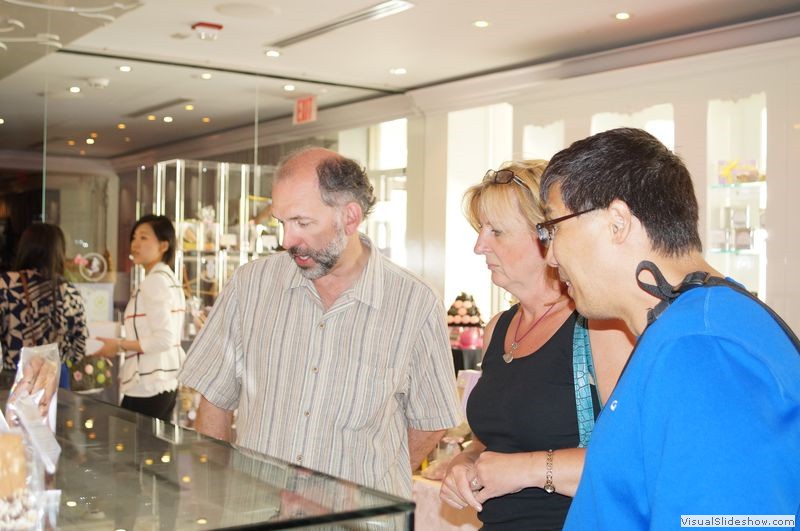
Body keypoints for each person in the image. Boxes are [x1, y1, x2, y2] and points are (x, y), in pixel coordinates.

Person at [538, 128, 800, 530]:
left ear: (617, 222)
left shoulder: (701, 349)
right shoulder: (688, 326)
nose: (551, 256)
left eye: (553, 228)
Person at [179, 147, 461, 498]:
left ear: (350, 217)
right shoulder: (250, 286)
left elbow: (431, 423)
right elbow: (215, 401)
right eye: (281, 222)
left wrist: (364, 492)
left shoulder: (414, 303)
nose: (287, 240)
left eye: (302, 222)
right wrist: (215, 495)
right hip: (259, 512)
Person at [439, 160, 634, 530]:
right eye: (481, 230)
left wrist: (525, 469)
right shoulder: (498, 328)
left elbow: (629, 460)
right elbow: (495, 442)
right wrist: (464, 463)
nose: (480, 246)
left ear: (546, 238)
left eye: (497, 231)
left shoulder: (598, 327)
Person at [95, 215, 185, 422]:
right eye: (134, 237)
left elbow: (164, 339)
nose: (135, 244)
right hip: (163, 380)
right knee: (153, 450)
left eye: (144, 238)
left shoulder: (154, 282)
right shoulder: (167, 278)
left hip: (148, 383)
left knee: (131, 450)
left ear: (164, 245)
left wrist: (119, 345)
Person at [1, 223, 87, 398]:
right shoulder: (69, 291)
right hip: (56, 378)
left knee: (14, 423)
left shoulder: (6, 285)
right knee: (55, 423)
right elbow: (79, 348)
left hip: (15, 376)